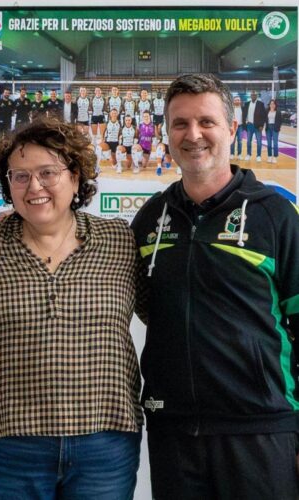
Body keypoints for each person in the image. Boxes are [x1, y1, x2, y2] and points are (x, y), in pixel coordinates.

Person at [132, 73, 299, 500]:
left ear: (232, 128)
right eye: (180, 123)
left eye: (206, 121)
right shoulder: (150, 218)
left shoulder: (276, 215)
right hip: (173, 429)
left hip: (261, 428)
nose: (193, 135)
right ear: (167, 131)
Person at [0, 119, 143, 499]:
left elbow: (166, 310)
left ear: (75, 178)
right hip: (9, 443)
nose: (35, 187)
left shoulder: (119, 241)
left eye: (48, 173)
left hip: (105, 441)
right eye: (20, 176)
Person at [243, 90, 266, 162]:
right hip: (249, 125)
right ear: (250, 96)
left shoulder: (260, 104)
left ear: (256, 96)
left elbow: (263, 116)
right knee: (248, 141)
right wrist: (245, 123)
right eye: (252, 95)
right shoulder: (247, 104)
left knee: (259, 142)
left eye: (254, 95)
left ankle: (258, 156)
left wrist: (261, 125)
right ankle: (248, 154)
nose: (253, 96)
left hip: (258, 126)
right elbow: (244, 114)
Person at [97, 108, 121, 173]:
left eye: (115, 113)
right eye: (112, 113)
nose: (114, 114)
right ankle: (97, 167)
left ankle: (118, 166)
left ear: (117, 114)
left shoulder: (120, 123)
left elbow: (121, 133)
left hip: (115, 143)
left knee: (114, 162)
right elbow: (102, 133)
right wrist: (102, 141)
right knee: (98, 148)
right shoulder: (107, 123)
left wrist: (120, 142)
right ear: (110, 114)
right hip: (108, 142)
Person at [265, 99, 282, 164]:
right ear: (269, 105)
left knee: (275, 143)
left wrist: (278, 127)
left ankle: (275, 157)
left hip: (275, 128)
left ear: (275, 105)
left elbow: (280, 120)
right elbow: (264, 118)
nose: (272, 105)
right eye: (271, 104)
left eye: (273, 104)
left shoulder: (278, 112)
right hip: (268, 128)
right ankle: (269, 156)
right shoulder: (266, 111)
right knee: (269, 143)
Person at [230, 95, 244, 160]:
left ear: (240, 101)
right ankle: (232, 154)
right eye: (236, 100)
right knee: (232, 141)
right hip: (233, 126)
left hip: (240, 126)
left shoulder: (243, 109)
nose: (237, 101)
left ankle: (239, 154)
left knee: (240, 141)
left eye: (238, 100)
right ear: (233, 101)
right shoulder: (231, 109)